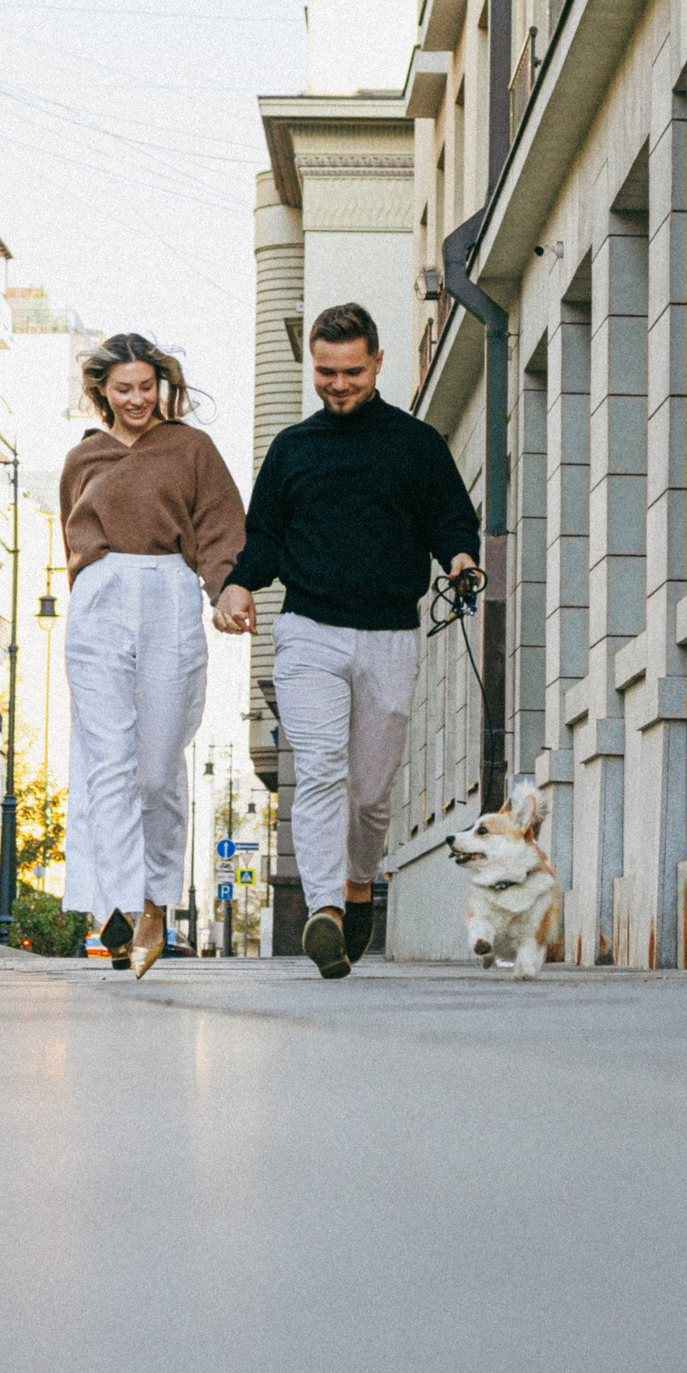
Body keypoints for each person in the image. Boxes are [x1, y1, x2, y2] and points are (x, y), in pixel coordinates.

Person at [216, 302, 479, 979]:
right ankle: (326, 907)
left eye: (352, 371)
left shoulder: (415, 444)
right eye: (326, 372)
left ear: (379, 363)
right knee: (322, 766)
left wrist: (460, 558)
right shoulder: (292, 449)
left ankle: (361, 881)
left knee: (371, 790)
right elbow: (265, 536)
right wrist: (239, 585)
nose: (338, 384)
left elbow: (451, 517)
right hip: (308, 631)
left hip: (390, 631)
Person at [58, 333, 245, 977]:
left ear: (160, 385)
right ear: (102, 392)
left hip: (169, 589)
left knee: (158, 768)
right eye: (123, 389)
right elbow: (74, 540)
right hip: (101, 595)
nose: (137, 399)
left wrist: (225, 592)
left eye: (146, 387)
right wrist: (91, 588)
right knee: (106, 757)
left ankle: (155, 898)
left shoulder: (192, 449)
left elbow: (222, 527)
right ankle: (116, 905)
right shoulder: (84, 456)